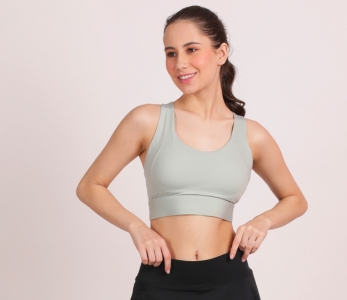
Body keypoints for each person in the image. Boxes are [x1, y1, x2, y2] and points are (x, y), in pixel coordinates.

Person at [76, 5, 308, 300]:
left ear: (221, 53)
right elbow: (89, 186)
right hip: (161, 282)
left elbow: (296, 199)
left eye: (191, 50)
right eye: (171, 53)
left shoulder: (252, 135)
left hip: (230, 282)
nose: (180, 63)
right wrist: (137, 227)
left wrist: (263, 221)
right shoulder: (147, 121)